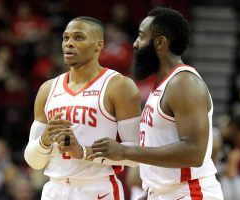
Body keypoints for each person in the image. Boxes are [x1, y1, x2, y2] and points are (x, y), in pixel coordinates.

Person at [90, 7, 224, 200]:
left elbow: (194, 153)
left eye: (141, 37)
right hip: (165, 193)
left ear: (160, 43)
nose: (135, 44)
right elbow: (163, 154)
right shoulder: (161, 85)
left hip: (191, 193)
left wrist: (125, 151)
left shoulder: (183, 82)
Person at [24, 16, 141, 200]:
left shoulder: (119, 86)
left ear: (98, 45)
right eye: (66, 38)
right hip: (54, 189)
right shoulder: (48, 89)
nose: (69, 44)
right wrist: (43, 142)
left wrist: (84, 152)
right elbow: (34, 161)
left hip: (96, 189)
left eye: (79, 37)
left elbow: (135, 154)